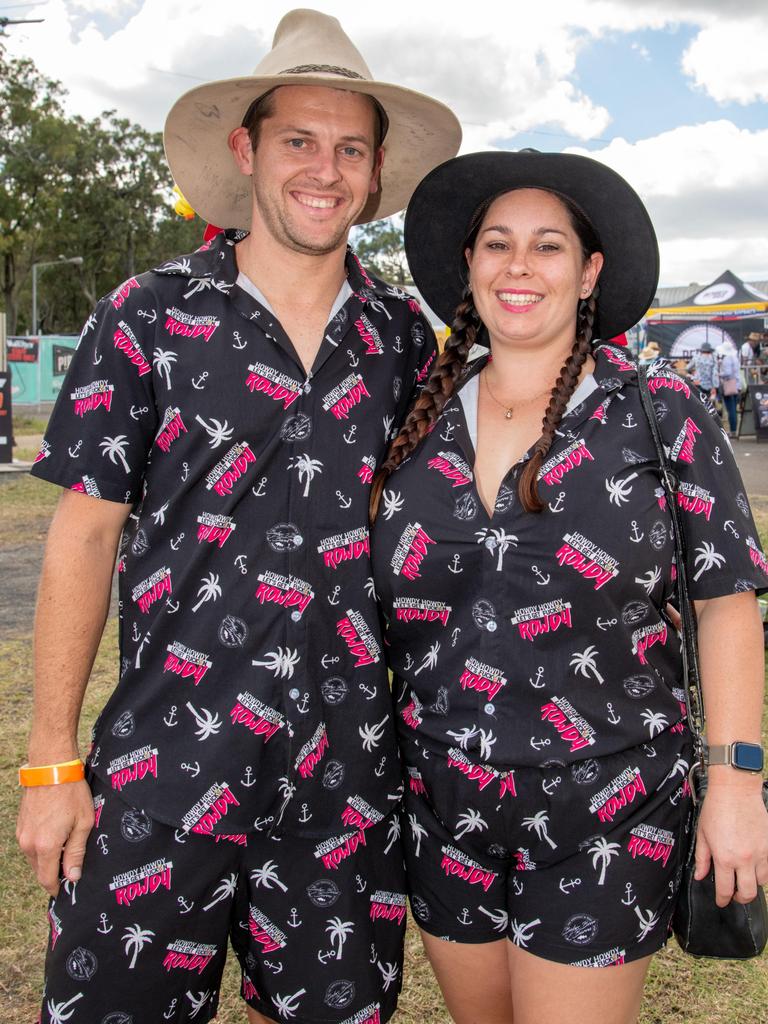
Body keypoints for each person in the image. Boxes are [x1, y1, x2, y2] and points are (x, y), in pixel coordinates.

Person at [16, 11, 460, 1024]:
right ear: (245, 148)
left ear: (377, 172)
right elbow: (84, 536)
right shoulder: (148, 314)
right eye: (299, 139)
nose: (325, 167)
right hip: (166, 768)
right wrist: (50, 762)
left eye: (350, 147)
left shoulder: (403, 339)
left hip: (346, 783)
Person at [369, 150, 768, 1024]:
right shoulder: (415, 412)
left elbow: (725, 604)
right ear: (467, 266)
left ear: (589, 272)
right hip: (442, 805)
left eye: (548, 246)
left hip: (607, 807)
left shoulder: (659, 410)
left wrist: (737, 787)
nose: (519, 266)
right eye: (497, 244)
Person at [716, 335, 741, 436]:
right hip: (736, 385)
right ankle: (734, 429)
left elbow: (727, 373)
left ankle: (733, 430)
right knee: (734, 408)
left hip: (729, 385)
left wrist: (718, 374)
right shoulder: (735, 357)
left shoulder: (726, 359)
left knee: (730, 409)